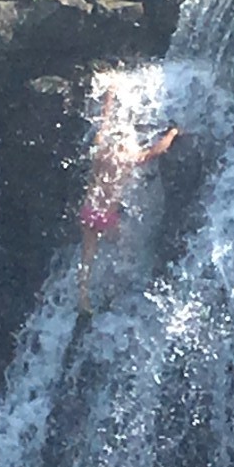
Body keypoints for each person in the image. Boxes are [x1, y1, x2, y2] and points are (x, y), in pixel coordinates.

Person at [77, 88, 181, 312]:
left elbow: (104, 123)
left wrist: (109, 98)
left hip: (89, 210)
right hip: (109, 217)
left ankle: (83, 297)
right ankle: (118, 287)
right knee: (125, 248)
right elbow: (157, 150)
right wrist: (172, 133)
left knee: (87, 257)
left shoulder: (101, 152)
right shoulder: (128, 159)